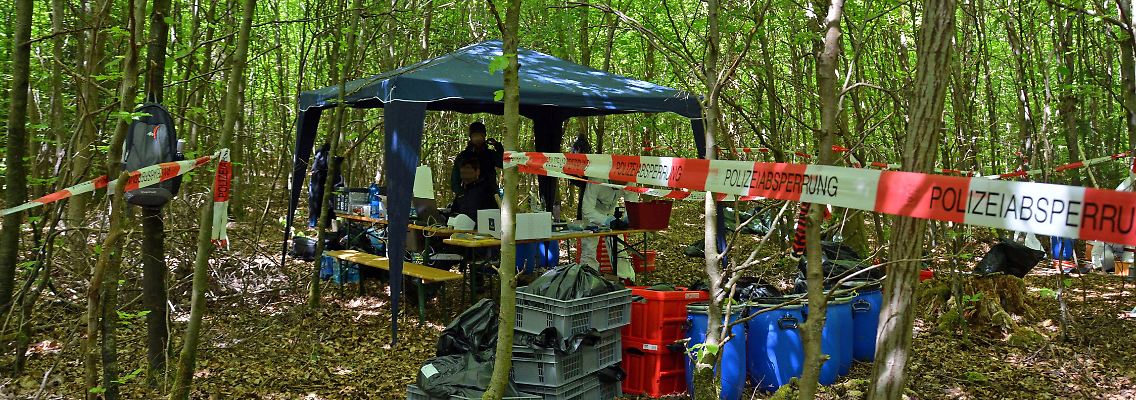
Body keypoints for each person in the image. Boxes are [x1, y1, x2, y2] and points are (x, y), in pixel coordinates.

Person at [580, 182, 638, 281]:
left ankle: (626, 279)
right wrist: (606, 221)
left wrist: (626, 219)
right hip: (593, 211)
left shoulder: (629, 179)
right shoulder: (596, 179)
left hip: (611, 209)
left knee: (618, 246)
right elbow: (587, 209)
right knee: (589, 247)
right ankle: (588, 280)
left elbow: (632, 203)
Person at [450, 122, 503, 197]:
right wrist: (463, 194)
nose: (478, 139)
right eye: (475, 136)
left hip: (489, 196)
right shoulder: (463, 156)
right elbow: (455, 181)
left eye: (480, 136)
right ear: (471, 137)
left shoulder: (490, 154)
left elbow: (504, 163)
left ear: (484, 137)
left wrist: (497, 146)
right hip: (469, 196)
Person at [450, 157, 499, 223]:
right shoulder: (461, 191)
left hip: (481, 228)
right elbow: (454, 211)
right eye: (463, 171)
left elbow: (492, 213)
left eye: (468, 169)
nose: (465, 173)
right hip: (461, 227)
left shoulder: (486, 189)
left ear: (477, 171)